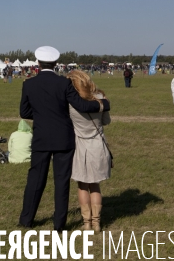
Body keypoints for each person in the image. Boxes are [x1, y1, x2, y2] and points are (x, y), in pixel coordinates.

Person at [18, 46, 109, 231]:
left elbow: (24, 112)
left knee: (35, 179)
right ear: (56, 63)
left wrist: (43, 115)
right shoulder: (63, 83)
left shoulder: (28, 84)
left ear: (37, 63)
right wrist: (104, 104)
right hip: (63, 139)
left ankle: (26, 220)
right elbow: (82, 106)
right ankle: (59, 224)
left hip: (41, 138)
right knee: (61, 182)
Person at [67, 70, 112, 233]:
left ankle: (86, 223)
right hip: (98, 144)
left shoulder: (71, 102)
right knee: (95, 185)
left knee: (82, 185)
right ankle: (97, 222)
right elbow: (106, 121)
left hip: (80, 145)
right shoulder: (100, 98)